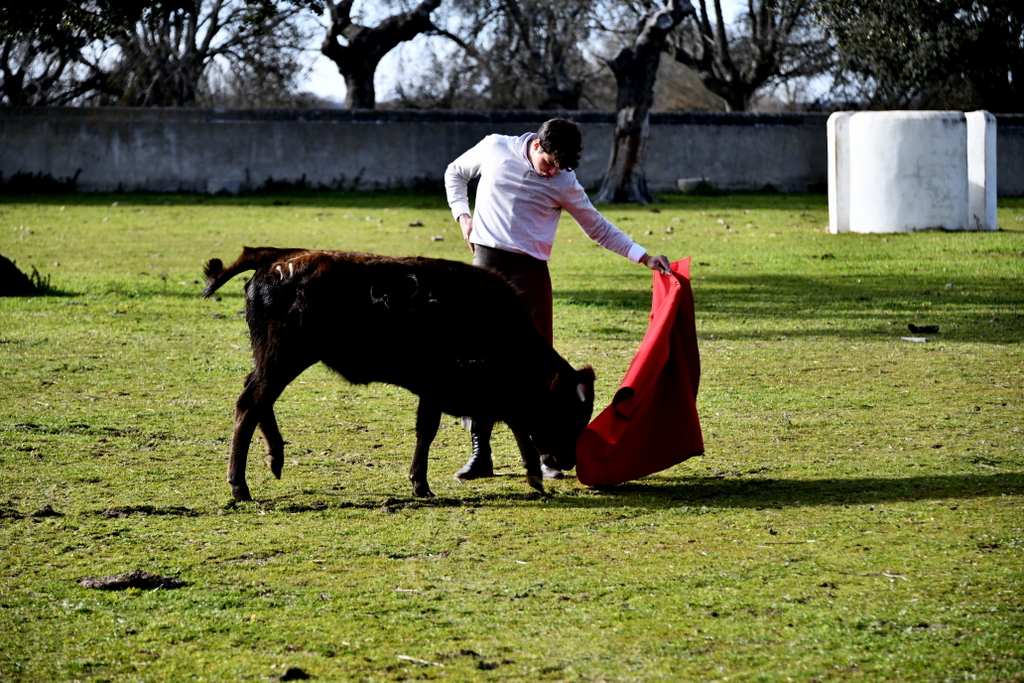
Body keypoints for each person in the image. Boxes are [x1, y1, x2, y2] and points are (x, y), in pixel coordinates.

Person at [444, 117, 672, 481]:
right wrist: (463, 216)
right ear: (536, 145)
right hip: (485, 274)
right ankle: (480, 454)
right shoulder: (495, 148)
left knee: (538, 370)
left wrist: (643, 256)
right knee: (479, 365)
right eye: (549, 163)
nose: (552, 173)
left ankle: (547, 455)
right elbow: (454, 172)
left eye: (560, 168)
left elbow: (597, 227)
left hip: (531, 278)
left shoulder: (564, 181)